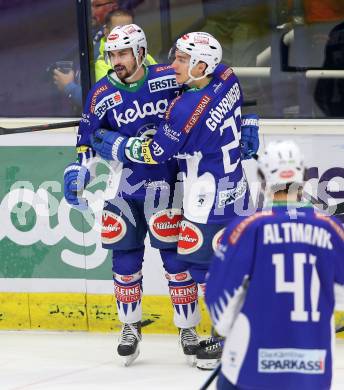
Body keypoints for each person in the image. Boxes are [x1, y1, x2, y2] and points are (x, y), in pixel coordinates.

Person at [89, 31, 260, 369]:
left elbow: (154, 151)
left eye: (182, 59)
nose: (173, 64)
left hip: (203, 198)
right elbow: (239, 103)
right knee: (229, 265)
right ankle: (236, 332)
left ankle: (227, 338)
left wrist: (114, 144)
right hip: (235, 188)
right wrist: (250, 122)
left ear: (200, 64)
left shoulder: (184, 108)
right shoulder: (226, 75)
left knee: (199, 268)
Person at [63, 24, 202, 367]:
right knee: (124, 262)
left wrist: (243, 118)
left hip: (168, 186)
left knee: (176, 262)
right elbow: (88, 138)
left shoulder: (168, 77)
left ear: (140, 52)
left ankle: (188, 329)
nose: (117, 61)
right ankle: (129, 326)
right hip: (123, 189)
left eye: (123, 53)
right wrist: (79, 167)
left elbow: (205, 87)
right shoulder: (100, 94)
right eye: (112, 55)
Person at [205, 140, 344, 390]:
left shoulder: (246, 228)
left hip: (250, 368)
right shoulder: (332, 230)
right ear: (303, 174)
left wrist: (230, 328)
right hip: (312, 371)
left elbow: (220, 307)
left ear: (262, 175)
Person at [95, 9, 156, 81]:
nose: (126, 33)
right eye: (118, 29)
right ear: (106, 32)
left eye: (129, 28)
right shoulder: (102, 64)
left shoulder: (145, 56)